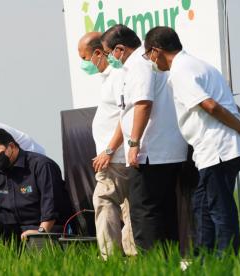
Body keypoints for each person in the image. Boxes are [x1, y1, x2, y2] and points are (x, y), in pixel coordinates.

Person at [144, 26, 240, 254]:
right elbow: (230, 103)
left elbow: (210, 105)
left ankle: (225, 262)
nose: (150, 60)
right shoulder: (200, 65)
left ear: (156, 51)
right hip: (219, 149)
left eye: (148, 54)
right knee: (201, 206)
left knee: (220, 209)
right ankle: (204, 259)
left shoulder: (180, 70)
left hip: (217, 149)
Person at [100, 24, 188, 250]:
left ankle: (151, 264)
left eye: (110, 53)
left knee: (144, 211)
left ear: (120, 49)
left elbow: (142, 104)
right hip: (162, 151)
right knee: (164, 210)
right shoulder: (137, 66)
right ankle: (166, 262)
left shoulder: (139, 63)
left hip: (150, 152)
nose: (110, 59)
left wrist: (133, 143)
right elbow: (127, 111)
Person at [78, 31, 138, 258]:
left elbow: (125, 118)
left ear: (97, 53)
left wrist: (109, 150)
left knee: (103, 202)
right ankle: (132, 256)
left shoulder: (116, 77)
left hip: (115, 158)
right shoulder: (110, 78)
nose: (84, 63)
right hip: (117, 156)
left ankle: (111, 258)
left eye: (84, 58)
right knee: (128, 207)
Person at [0, 128, 72, 241]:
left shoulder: (42, 165)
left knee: (36, 245)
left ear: (11, 146)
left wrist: (41, 232)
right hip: (13, 225)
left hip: (44, 225)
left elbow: (51, 203)